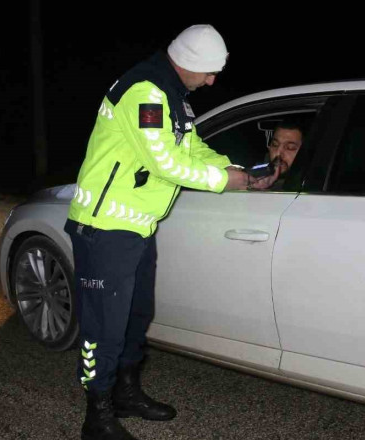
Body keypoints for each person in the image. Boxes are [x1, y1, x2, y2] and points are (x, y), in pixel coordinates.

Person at [66, 24, 277, 440]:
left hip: (137, 225)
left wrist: (234, 169)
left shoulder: (171, 96)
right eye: (209, 72)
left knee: (135, 316)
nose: (213, 81)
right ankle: (98, 413)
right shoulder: (144, 91)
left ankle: (126, 391)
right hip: (105, 225)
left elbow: (191, 147)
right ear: (189, 63)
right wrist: (222, 182)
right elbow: (165, 162)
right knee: (104, 327)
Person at [264, 121, 304, 190]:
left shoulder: (306, 187)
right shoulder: (254, 178)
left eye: (290, 147)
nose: (278, 153)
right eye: (275, 145)